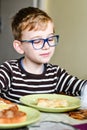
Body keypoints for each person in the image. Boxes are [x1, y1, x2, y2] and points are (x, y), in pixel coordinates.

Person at [0, 6, 87, 105]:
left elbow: (80, 86)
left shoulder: (55, 74)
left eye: (50, 39)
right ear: (19, 47)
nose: (46, 46)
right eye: (37, 41)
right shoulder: (8, 71)